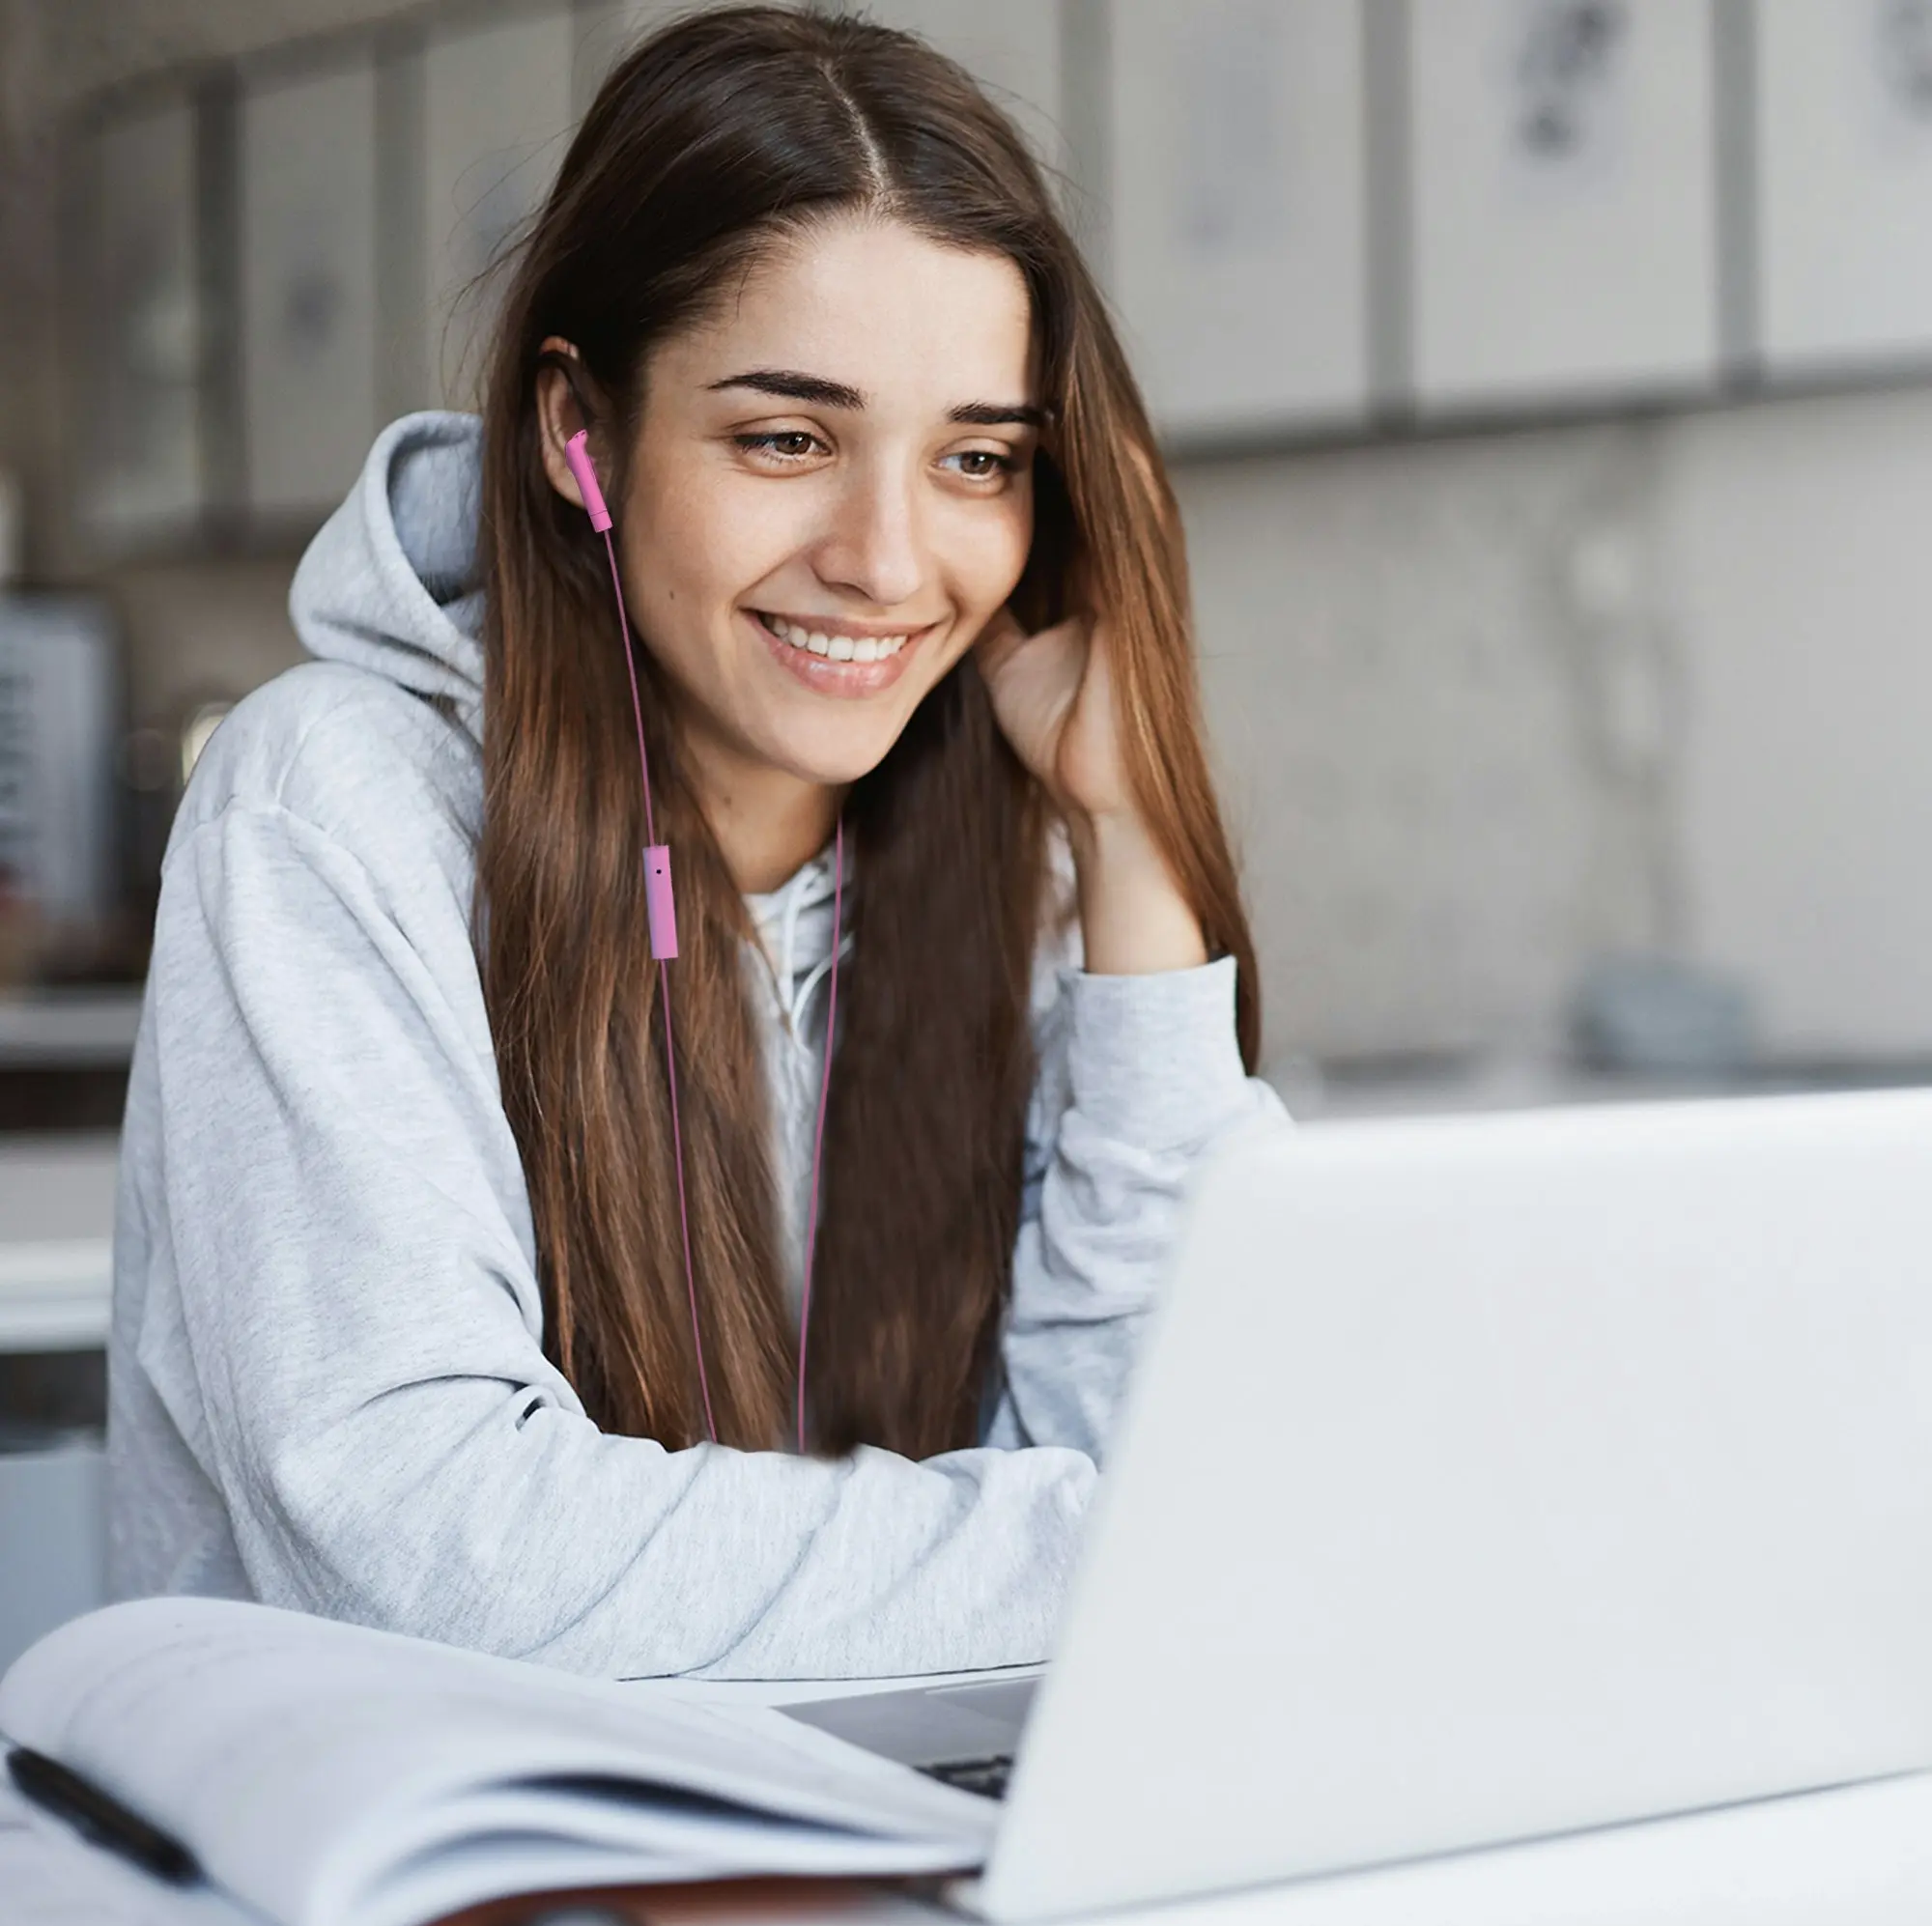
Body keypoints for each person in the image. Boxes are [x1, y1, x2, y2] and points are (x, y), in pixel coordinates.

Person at [107, 7, 1286, 1679]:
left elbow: (1176, 1430)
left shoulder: (1001, 856)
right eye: (787, 438)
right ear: (577, 430)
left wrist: (1131, 837)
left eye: (976, 459)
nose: (888, 560)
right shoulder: (335, 804)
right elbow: (425, 1543)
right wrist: (1154, 1546)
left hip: (872, 1832)